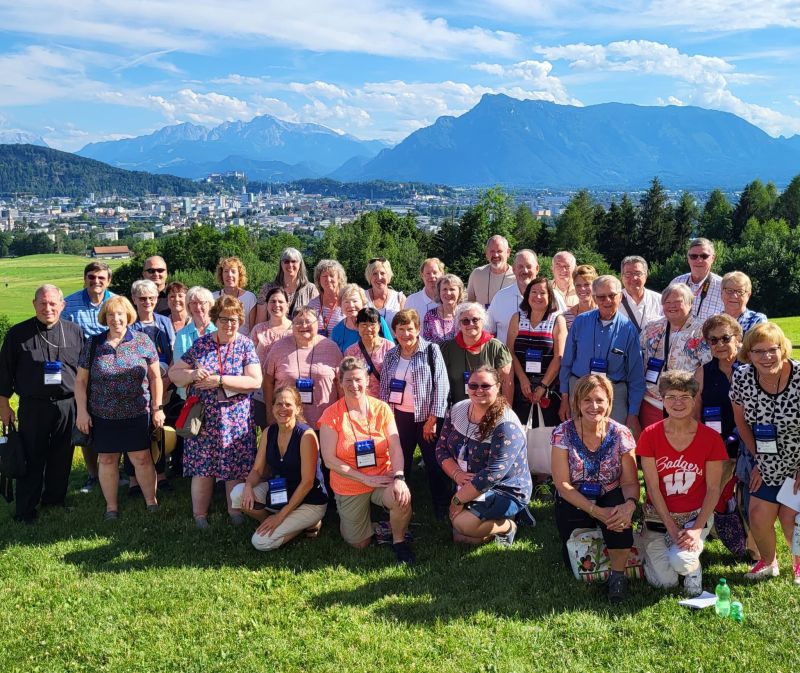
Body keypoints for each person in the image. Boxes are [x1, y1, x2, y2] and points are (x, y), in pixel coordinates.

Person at [169, 295, 262, 527]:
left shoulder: (245, 345)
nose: (229, 324)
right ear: (215, 319)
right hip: (204, 418)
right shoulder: (201, 344)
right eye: (224, 319)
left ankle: (235, 511)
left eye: (234, 319)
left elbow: (255, 381)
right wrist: (191, 375)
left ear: (240, 320)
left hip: (236, 418)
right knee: (203, 468)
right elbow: (174, 374)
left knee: (235, 466)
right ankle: (199, 515)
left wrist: (219, 381)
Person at [74, 295, 165, 519]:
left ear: (128, 316)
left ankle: (151, 501)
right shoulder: (94, 344)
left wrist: (157, 407)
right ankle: (111, 507)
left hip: (136, 412)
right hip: (103, 414)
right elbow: (81, 382)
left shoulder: (143, 341)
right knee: (107, 459)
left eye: (120, 314)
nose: (116, 319)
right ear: (105, 317)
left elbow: (155, 378)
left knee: (142, 458)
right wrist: (82, 412)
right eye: (111, 314)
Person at [550, 374, 639, 602]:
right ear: (577, 403)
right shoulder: (563, 432)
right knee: (573, 556)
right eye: (587, 400)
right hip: (575, 496)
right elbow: (562, 484)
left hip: (610, 491)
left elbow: (629, 482)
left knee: (619, 524)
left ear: (609, 402)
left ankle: (618, 575)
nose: (594, 406)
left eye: (600, 400)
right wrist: (596, 511)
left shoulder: (621, 433)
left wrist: (629, 506)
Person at [0, 285, 84, 524]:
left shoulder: (75, 332)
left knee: (62, 455)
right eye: (43, 303)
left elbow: (83, 373)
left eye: (53, 303)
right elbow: (4, 373)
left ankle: (55, 499)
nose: (48, 308)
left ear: (62, 305)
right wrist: (3, 405)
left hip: (68, 405)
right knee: (32, 456)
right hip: (33, 406)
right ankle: (25, 509)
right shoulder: (17, 334)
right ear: (34, 304)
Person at [638, 371, 727, 596]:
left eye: (685, 397)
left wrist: (696, 529)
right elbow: (652, 487)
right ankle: (654, 543)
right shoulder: (649, 435)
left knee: (682, 562)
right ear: (662, 400)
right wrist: (670, 526)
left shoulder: (711, 438)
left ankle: (692, 566)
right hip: (659, 515)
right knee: (664, 582)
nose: (678, 402)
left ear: (695, 399)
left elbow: (714, 488)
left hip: (694, 515)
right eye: (671, 397)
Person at [319, 357, 414, 564]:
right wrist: (364, 478)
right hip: (350, 482)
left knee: (401, 497)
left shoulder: (381, 408)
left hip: (383, 476)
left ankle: (399, 541)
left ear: (368, 380)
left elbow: (395, 446)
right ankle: (372, 525)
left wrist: (399, 477)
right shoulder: (331, 415)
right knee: (359, 543)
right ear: (340, 382)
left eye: (358, 380)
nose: (354, 385)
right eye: (348, 381)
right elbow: (329, 460)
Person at [730, 322, 800, 583]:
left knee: (790, 517)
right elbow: (741, 422)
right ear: (748, 353)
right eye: (758, 351)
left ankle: (799, 566)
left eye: (772, 350)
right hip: (767, 458)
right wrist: (759, 459)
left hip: (798, 458)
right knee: (758, 515)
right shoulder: (742, 376)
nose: (766, 357)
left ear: (783, 349)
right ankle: (768, 562)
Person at [436, 366, 531, 546]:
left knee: (463, 525)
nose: (478, 390)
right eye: (473, 385)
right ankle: (487, 521)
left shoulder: (506, 425)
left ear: (498, 387)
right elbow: (440, 449)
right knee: (462, 537)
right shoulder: (457, 409)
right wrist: (457, 475)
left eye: (485, 386)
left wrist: (457, 500)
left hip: (503, 489)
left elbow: (492, 475)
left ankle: (509, 525)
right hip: (468, 483)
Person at [230, 386, 327, 551]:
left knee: (260, 542)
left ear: (298, 409)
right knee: (237, 495)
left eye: (288, 404)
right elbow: (257, 470)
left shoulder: (306, 436)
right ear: (273, 407)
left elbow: (307, 483)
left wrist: (280, 516)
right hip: (280, 491)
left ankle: (307, 522)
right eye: (278, 404)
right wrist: (247, 486)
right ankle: (271, 522)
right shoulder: (269, 432)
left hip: (309, 500)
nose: (283, 409)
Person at [379, 309, 450, 518]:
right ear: (394, 332)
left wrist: (433, 418)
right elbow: (385, 387)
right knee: (402, 462)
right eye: (400, 330)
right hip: (399, 417)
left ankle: (441, 505)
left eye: (409, 329)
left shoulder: (431, 350)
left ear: (417, 329)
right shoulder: (391, 355)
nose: (405, 334)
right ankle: (402, 503)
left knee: (434, 462)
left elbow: (442, 385)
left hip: (427, 417)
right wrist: (387, 420)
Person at [694, 314, 752, 560]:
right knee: (716, 493)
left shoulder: (751, 369)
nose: (719, 344)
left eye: (725, 338)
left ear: (738, 339)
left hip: (750, 444)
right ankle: (711, 534)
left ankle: (753, 546)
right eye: (712, 340)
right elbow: (695, 414)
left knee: (748, 497)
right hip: (717, 446)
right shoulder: (702, 373)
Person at [559, 275, 645, 434]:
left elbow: (636, 376)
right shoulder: (580, 322)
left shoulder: (628, 329)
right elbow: (566, 363)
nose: (607, 300)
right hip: (579, 390)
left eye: (612, 295)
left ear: (620, 296)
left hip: (614, 395)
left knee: (612, 444)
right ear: (594, 298)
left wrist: (633, 413)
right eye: (601, 296)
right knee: (578, 441)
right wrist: (564, 398)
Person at [62, 261, 115, 494]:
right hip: (81, 373)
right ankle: (93, 475)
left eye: (101, 278)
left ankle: (114, 469)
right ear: (85, 279)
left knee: (112, 423)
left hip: (113, 373)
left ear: (108, 281)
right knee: (86, 425)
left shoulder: (116, 301)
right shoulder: (70, 304)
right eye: (91, 277)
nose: (96, 281)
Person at [639, 283, 710, 429]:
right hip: (651, 402)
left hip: (684, 403)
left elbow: (707, 367)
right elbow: (638, 356)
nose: (671, 306)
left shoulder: (702, 330)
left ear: (690, 303)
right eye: (667, 302)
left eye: (677, 301)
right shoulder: (652, 326)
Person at [129, 279, 175, 493]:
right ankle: (133, 478)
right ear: (134, 300)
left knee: (158, 432)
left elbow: (173, 353)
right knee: (135, 433)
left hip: (162, 385)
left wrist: (164, 381)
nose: (147, 302)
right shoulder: (130, 324)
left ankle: (161, 473)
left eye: (151, 298)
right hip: (137, 387)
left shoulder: (164, 322)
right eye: (142, 298)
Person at [264, 307, 342, 429]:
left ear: (317, 324)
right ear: (292, 325)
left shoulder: (331, 348)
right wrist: (269, 413)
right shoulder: (278, 348)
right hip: (287, 423)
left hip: (325, 423)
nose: (303, 325)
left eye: (308, 322)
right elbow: (268, 381)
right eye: (298, 322)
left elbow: (340, 385)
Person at [506, 276, 566, 431]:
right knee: (518, 431)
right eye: (534, 292)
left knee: (547, 433)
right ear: (527, 295)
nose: (538, 296)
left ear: (550, 296)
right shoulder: (517, 318)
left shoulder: (557, 320)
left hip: (548, 387)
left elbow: (559, 357)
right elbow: (509, 352)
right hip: (521, 386)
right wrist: (523, 379)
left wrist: (542, 386)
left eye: (542, 293)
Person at [440, 303, 513, 406]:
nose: (470, 324)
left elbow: (507, 384)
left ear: (482, 322)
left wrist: (506, 412)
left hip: (490, 412)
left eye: (475, 320)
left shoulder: (497, 348)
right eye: (465, 321)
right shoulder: (448, 349)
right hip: (459, 411)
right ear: (459, 325)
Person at [249, 287, 293, 429]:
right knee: (266, 432)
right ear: (267, 305)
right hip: (260, 393)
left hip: (288, 391)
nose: (276, 305)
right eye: (272, 301)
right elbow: (248, 359)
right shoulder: (258, 330)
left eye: (281, 301)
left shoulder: (295, 330)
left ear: (288, 305)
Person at [486, 249, 540, 345]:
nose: (525, 271)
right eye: (520, 267)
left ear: (537, 269)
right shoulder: (500, 298)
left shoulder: (553, 297)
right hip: (506, 359)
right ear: (514, 270)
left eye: (528, 266)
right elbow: (486, 330)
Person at [173, 287, 218, 399]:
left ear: (210, 305)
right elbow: (178, 368)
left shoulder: (219, 331)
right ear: (188, 306)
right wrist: (194, 375)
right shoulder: (181, 334)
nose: (198, 307)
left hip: (217, 393)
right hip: (189, 396)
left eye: (202, 303)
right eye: (193, 303)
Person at [254, 247, 318, 323]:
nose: (290, 265)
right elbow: (260, 322)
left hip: (301, 333)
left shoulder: (310, 290)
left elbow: (315, 320)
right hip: (274, 333)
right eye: (286, 261)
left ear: (300, 264)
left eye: (294, 261)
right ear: (281, 264)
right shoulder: (267, 289)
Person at [344, 308, 394, 398]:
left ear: (379, 326)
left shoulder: (389, 348)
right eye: (364, 325)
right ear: (357, 326)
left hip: (384, 401)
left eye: (372, 325)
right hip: (360, 400)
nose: (368, 329)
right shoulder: (350, 351)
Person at [670, 238, 723, 321]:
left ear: (713, 258)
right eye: (693, 256)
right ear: (688, 258)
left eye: (704, 256)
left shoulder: (723, 286)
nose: (699, 260)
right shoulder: (676, 282)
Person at [330, 284, 393, 353]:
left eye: (355, 301)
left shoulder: (377, 321)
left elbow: (392, 350)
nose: (351, 305)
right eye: (346, 302)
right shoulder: (337, 331)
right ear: (340, 305)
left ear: (363, 302)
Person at [466, 235, 515, 308]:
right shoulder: (477, 274)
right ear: (486, 253)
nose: (495, 255)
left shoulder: (516, 277)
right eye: (492, 251)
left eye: (499, 251)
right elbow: (469, 304)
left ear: (508, 252)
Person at [212, 256, 258, 334]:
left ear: (239, 275)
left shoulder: (250, 298)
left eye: (233, 271)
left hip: (243, 343)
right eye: (226, 271)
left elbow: (252, 330)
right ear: (221, 275)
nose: (229, 275)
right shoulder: (213, 297)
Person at [618, 256, 662, 333]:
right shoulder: (613, 301)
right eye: (628, 274)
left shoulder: (660, 300)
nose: (634, 278)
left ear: (646, 275)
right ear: (622, 277)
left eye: (638, 273)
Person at [306, 259, 347, 337]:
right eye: (324, 276)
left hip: (342, 348)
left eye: (331, 275)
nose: (328, 279)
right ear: (319, 280)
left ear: (339, 278)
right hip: (317, 348)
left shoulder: (348, 302)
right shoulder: (312, 305)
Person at [422, 273, 465, 345]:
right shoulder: (430, 315)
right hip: (436, 355)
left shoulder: (465, 314)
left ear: (460, 292)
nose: (448, 293)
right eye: (444, 289)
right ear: (439, 292)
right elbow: (426, 343)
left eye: (452, 289)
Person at [365, 258, 406, 325]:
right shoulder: (361, 297)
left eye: (382, 273)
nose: (379, 277)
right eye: (374, 273)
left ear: (388, 275)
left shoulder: (399, 299)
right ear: (369, 276)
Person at [563, 264, 597, 331]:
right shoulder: (566, 316)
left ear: (594, 286)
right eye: (578, 285)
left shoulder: (603, 313)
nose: (582, 289)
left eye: (587, 284)